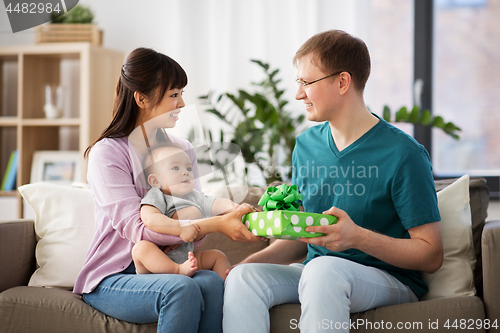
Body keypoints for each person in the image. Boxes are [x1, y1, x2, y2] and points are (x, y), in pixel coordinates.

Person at [223, 30, 443, 332]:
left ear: (342, 82)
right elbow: (304, 238)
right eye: (298, 83)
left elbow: (431, 255)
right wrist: (248, 263)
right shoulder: (306, 145)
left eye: (307, 83)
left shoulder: (404, 153)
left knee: (323, 270)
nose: (299, 94)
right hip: (316, 272)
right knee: (243, 278)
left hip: (387, 279)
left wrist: (357, 237)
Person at [73, 47, 261, 333]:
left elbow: (193, 224)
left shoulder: (182, 150)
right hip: (114, 275)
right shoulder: (108, 153)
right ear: (141, 98)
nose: (182, 103)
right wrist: (201, 225)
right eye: (174, 94)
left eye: (181, 93)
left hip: (172, 264)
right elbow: (138, 230)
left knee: (210, 282)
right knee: (180, 289)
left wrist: (216, 217)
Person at [133, 145, 238, 279]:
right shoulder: (157, 194)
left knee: (218, 256)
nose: (185, 172)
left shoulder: (193, 195)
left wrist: (236, 208)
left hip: (186, 258)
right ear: (155, 181)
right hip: (157, 262)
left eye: (188, 168)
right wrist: (180, 228)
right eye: (175, 168)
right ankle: (176, 270)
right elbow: (150, 219)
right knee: (140, 249)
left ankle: (227, 291)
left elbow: (216, 203)